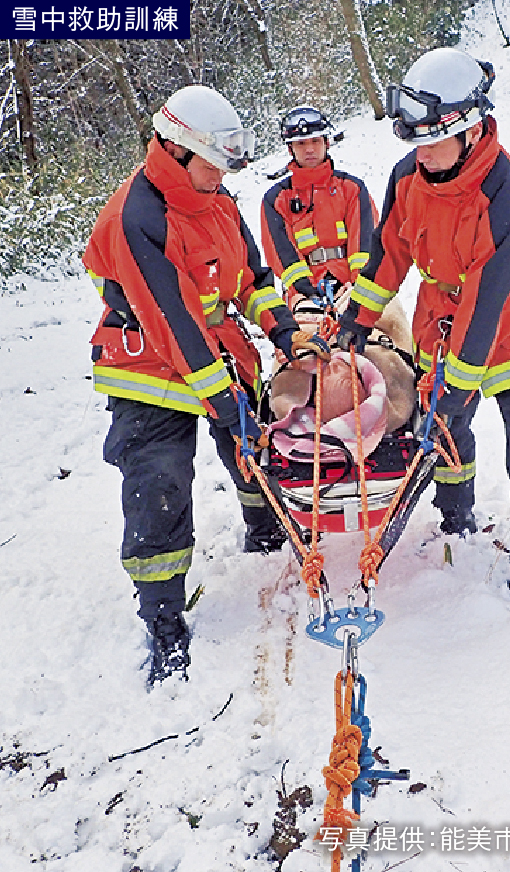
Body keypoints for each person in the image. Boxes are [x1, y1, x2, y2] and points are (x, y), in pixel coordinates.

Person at [83, 85, 330, 685]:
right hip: (147, 365)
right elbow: (171, 319)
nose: (221, 173)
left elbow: (251, 276)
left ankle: (265, 529)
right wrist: (222, 401)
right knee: (158, 482)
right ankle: (163, 618)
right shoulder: (136, 217)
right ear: (177, 149)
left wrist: (284, 333)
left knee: (252, 449)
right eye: (212, 161)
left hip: (213, 346)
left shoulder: (214, 198)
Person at [337, 48, 510, 604]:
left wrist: (456, 386)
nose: (423, 153)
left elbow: (491, 306)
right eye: (414, 140)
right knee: (445, 435)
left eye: (433, 140)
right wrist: (357, 316)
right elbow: (389, 251)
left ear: (470, 129)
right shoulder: (410, 177)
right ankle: (455, 519)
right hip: (443, 323)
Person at [261, 106, 378, 310]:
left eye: (315, 141)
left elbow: (364, 241)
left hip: (352, 284)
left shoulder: (352, 189)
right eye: (301, 143)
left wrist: (357, 285)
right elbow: (280, 253)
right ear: (290, 149)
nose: (309, 149)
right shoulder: (277, 199)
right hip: (303, 293)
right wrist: (306, 291)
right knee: (305, 338)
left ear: (327, 142)